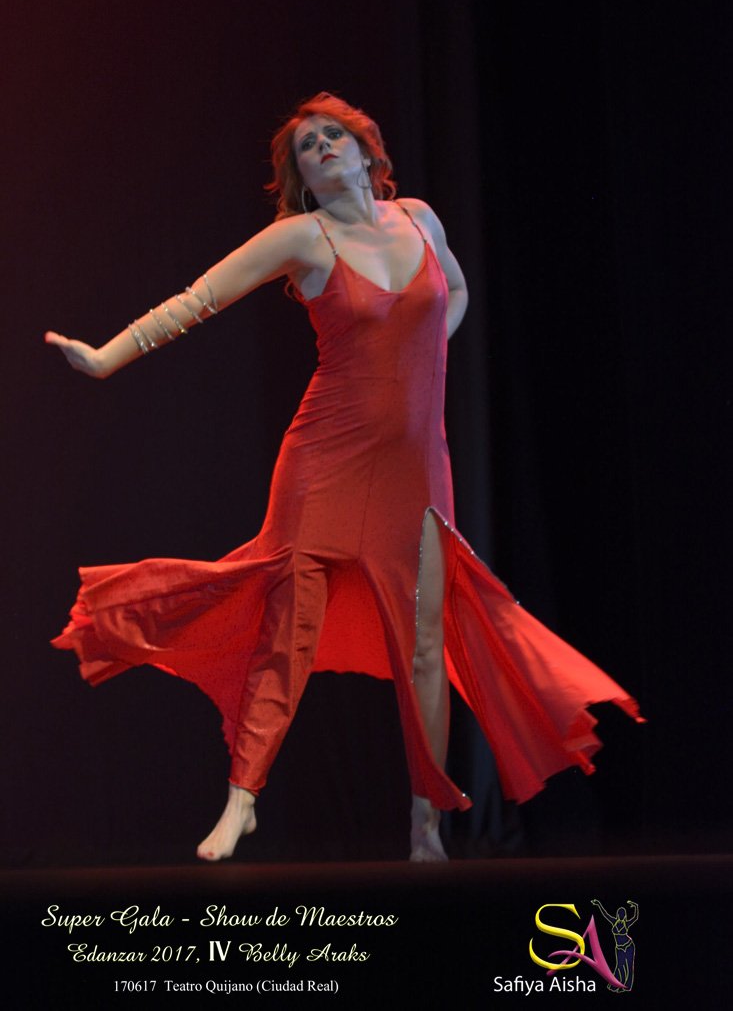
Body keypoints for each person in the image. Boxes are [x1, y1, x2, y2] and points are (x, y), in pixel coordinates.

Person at [47, 92, 644, 863]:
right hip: (324, 459)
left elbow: (455, 290)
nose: (323, 146)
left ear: (366, 152)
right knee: (286, 629)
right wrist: (103, 358)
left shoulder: (420, 220)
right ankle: (241, 800)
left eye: (335, 135)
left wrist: (425, 352)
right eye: (307, 145)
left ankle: (426, 825)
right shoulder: (302, 236)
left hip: (415, 470)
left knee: (423, 646)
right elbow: (196, 300)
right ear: (300, 175)